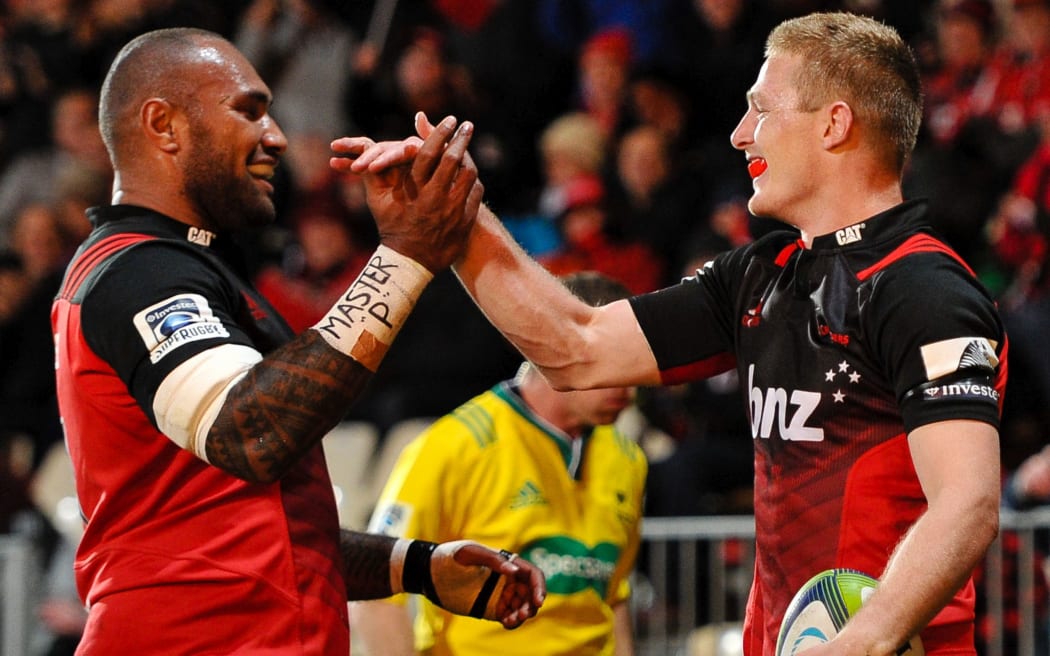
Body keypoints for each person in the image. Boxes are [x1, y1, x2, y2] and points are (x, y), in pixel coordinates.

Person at [337, 11, 1008, 656]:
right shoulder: (760, 275)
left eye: (763, 109)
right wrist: (455, 218)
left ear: (835, 124)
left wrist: (859, 641)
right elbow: (579, 347)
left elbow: (968, 502)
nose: (741, 133)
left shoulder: (923, 289)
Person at [50, 27, 544, 655]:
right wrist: (405, 257)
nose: (276, 136)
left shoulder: (191, 273)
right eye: (248, 110)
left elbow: (262, 529)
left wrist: (415, 567)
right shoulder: (139, 272)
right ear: (163, 125)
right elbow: (251, 435)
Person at [351, 271, 647, 656]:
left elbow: (614, 595)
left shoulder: (628, 457)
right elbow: (377, 595)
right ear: (551, 347)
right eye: (613, 361)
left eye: (636, 362)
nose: (631, 384)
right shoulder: (454, 445)